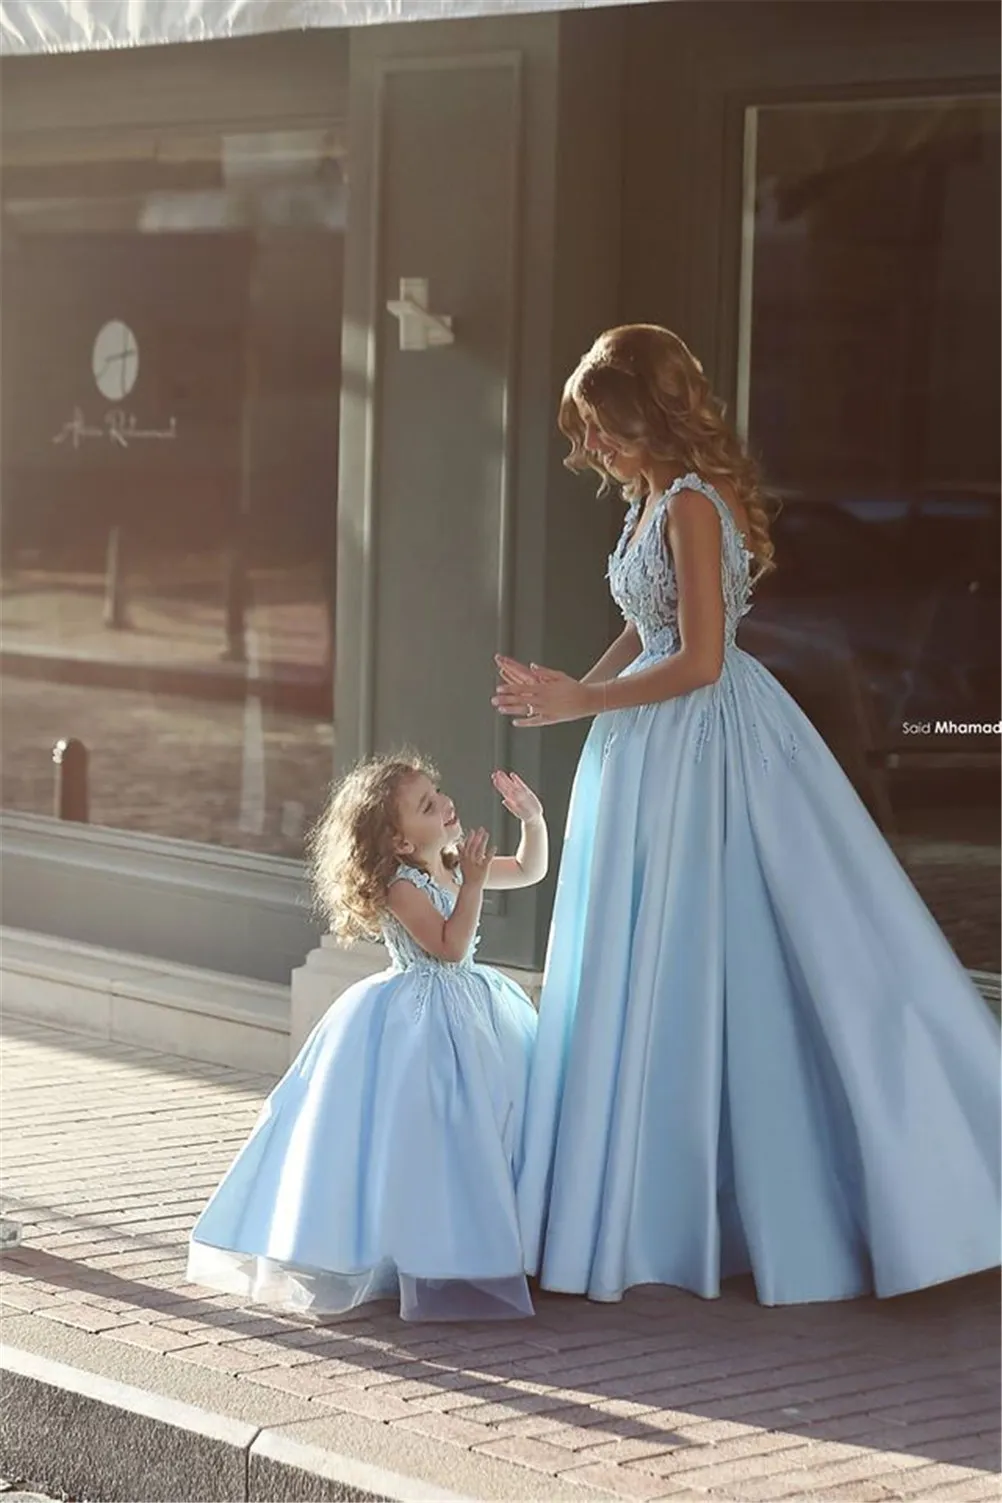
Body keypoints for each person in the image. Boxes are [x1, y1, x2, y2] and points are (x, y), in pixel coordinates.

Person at [494, 323, 1000, 1307]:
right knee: (649, 960)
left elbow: (701, 661)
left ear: (648, 415)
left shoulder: (690, 504)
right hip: (645, 751)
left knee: (718, 960)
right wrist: (565, 690)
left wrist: (585, 703)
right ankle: (641, 1203)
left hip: (702, 750)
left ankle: (797, 1199)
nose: (590, 449)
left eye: (603, 428)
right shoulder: (652, 501)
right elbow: (650, 634)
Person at [187, 756, 547, 1321]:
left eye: (438, 792)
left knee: (489, 1123)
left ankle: (498, 1239)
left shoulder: (451, 863)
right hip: (422, 1015)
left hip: (476, 1010)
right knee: (425, 1137)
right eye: (426, 805)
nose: (444, 803)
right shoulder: (401, 887)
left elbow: (529, 870)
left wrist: (532, 819)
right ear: (399, 842)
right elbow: (448, 947)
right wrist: (472, 884)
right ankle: (418, 1251)